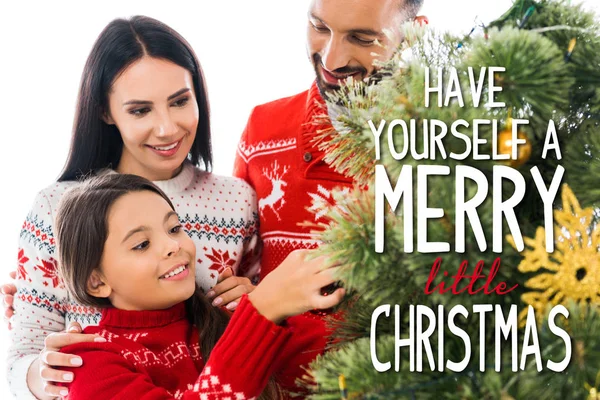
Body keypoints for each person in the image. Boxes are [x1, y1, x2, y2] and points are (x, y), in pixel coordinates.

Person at [1, 15, 323, 399]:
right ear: (105, 111)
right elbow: (22, 354)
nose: (167, 128)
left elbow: (254, 320)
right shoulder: (57, 208)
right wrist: (47, 374)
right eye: (141, 110)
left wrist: (248, 300)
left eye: (180, 101)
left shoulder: (235, 201)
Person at [232, 0, 427, 389]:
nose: (332, 58)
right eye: (319, 26)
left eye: (362, 37)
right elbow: (229, 280)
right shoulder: (263, 130)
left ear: (414, 33)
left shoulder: (449, 141)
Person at [50, 173, 343, 400]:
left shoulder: (225, 317)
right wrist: (262, 313)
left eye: (174, 228)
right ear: (97, 281)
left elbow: (342, 360)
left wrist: (278, 316)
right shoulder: (88, 363)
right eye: (142, 244)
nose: (172, 246)